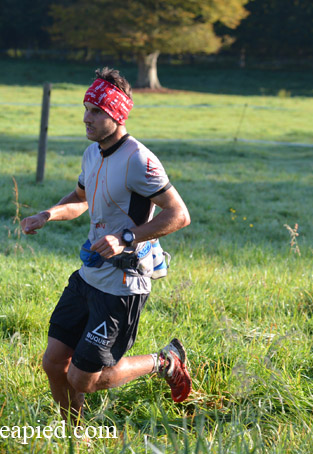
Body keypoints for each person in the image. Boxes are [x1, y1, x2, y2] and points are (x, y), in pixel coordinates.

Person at [20, 67, 192, 420]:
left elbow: (179, 214)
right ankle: (75, 437)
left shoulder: (139, 159)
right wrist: (47, 215)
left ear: (117, 115)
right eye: (86, 109)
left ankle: (165, 361)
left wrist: (127, 237)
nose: (87, 118)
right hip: (88, 276)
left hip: (122, 285)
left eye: (96, 111)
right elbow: (80, 199)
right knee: (53, 363)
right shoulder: (92, 153)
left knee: (82, 379)